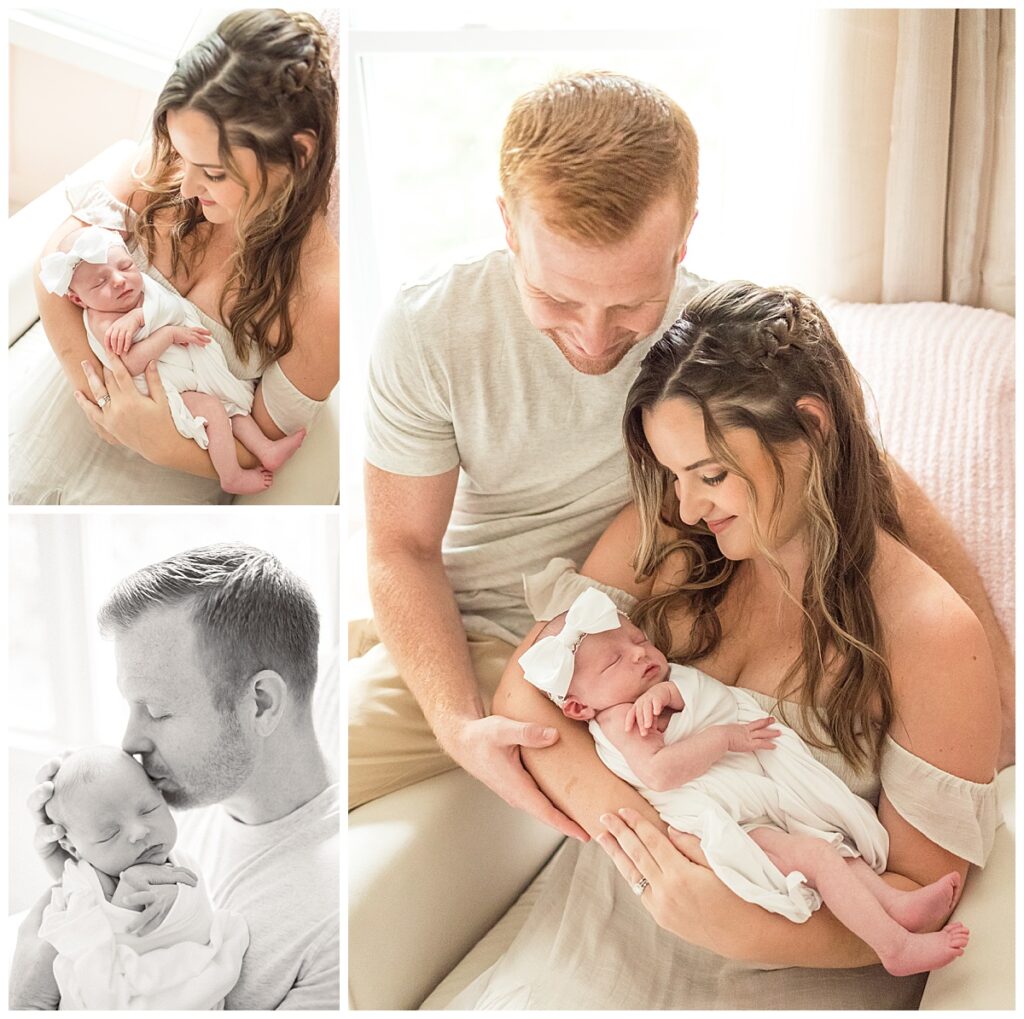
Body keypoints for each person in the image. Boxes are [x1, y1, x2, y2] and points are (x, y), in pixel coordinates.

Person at [348, 71, 1012, 838]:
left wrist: (997, 678)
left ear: (683, 237)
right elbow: (399, 546)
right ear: (508, 225)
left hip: (622, 642)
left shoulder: (710, 343)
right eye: (559, 299)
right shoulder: (431, 328)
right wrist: (458, 723)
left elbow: (865, 469)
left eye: (630, 303)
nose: (594, 340)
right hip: (469, 631)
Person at [457, 281, 999, 1008]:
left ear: (811, 427)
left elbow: (922, 890)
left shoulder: (933, 637)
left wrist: (740, 922)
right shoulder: (675, 548)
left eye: (711, 474)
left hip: (789, 967)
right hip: (604, 926)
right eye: (676, 474)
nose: (686, 505)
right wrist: (657, 844)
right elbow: (528, 692)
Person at [519, 588, 970, 978]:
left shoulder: (649, 692)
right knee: (817, 856)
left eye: (637, 640)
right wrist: (725, 738)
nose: (639, 653)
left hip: (746, 803)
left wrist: (668, 693)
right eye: (615, 660)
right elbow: (660, 771)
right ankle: (894, 947)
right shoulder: (619, 719)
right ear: (579, 708)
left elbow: (698, 696)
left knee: (830, 855)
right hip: (726, 824)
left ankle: (896, 906)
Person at [11, 9, 339, 505]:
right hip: (59, 405)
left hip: (161, 475)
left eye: (211, 171)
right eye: (183, 157)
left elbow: (261, 447)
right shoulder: (169, 163)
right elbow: (54, 273)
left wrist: (155, 439)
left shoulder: (322, 300)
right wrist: (106, 400)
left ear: (298, 153)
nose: (185, 185)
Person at [12, 544, 339, 1010]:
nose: (130, 741)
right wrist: (84, 876)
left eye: (157, 711)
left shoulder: (331, 927)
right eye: (130, 707)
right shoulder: (167, 806)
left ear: (260, 703)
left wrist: (26, 1004)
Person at [39, 226, 306, 494]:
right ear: (78, 299)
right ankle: (231, 475)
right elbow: (130, 365)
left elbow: (172, 306)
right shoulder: (103, 321)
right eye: (99, 283)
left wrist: (140, 316)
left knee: (232, 408)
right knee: (213, 410)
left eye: (126, 266)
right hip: (162, 388)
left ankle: (265, 449)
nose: (119, 280)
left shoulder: (140, 290)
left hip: (185, 366)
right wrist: (168, 334)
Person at [38, 746, 249, 1010]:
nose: (138, 831)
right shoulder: (81, 887)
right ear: (72, 848)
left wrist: (180, 901)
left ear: (161, 795)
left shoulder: (183, 862)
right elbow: (89, 963)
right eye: (109, 833)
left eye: (148, 810)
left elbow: (201, 920)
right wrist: (127, 896)